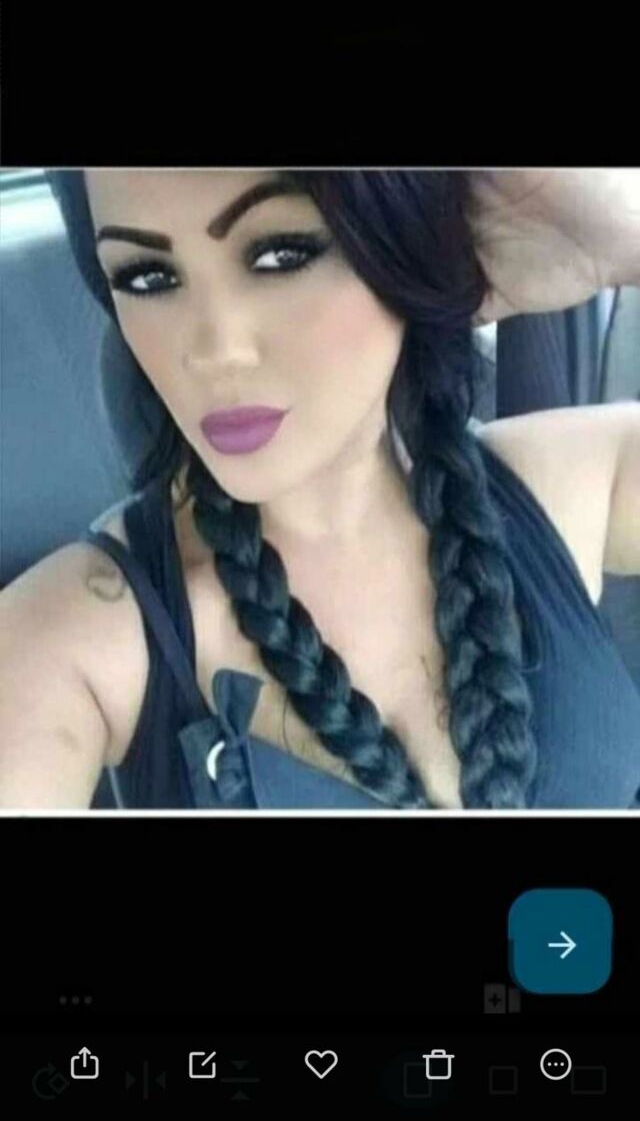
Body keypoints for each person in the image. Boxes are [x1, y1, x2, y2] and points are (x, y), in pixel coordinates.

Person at [38, 168, 640, 811]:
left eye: (281, 255)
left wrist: (624, 232)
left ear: (403, 238)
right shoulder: (78, 638)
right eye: (148, 278)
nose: (215, 351)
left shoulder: (576, 480)